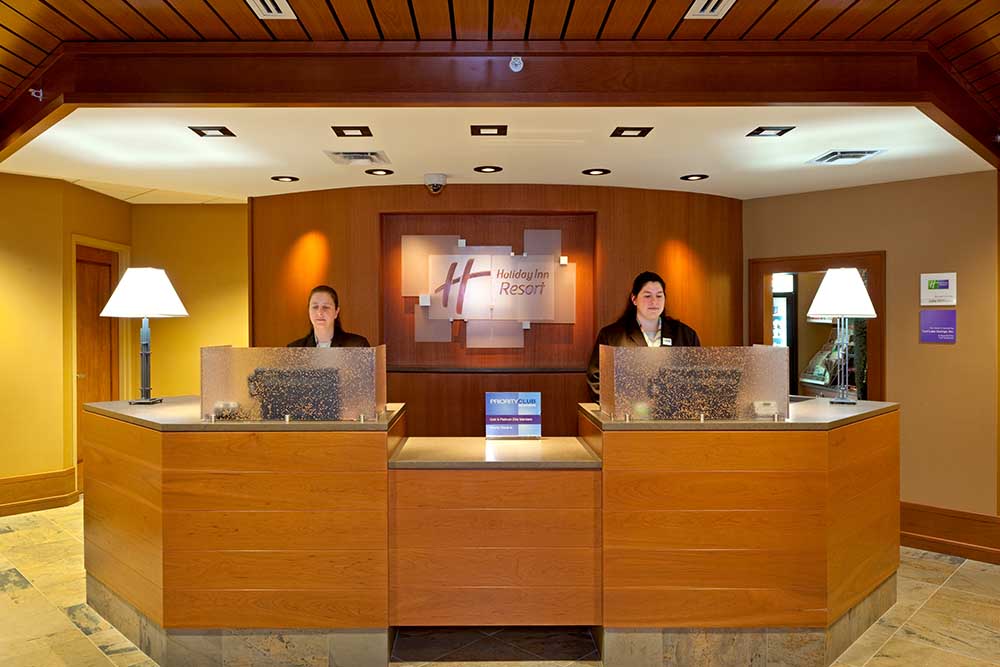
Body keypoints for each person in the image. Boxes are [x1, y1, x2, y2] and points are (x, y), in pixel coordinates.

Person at [586, 271, 700, 400]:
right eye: (647, 296)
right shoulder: (611, 335)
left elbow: (697, 378)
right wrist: (614, 406)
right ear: (634, 299)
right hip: (627, 414)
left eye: (659, 296)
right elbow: (596, 377)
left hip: (675, 414)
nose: (654, 301)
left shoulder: (685, 335)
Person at [287, 285, 370, 347]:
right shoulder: (294, 350)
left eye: (326, 307)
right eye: (315, 307)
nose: (320, 312)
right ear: (308, 311)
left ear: (336, 312)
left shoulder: (358, 346)